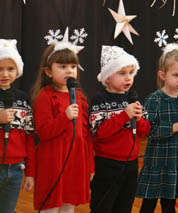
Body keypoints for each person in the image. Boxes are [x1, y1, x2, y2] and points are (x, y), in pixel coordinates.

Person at [136, 43, 178, 213]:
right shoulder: (155, 99)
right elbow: (149, 131)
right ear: (163, 75)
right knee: (148, 205)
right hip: (158, 163)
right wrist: (175, 126)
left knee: (170, 206)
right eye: (176, 75)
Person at [31, 34, 94, 212]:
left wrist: (90, 165)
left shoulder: (79, 96)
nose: (69, 71)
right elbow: (43, 132)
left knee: (69, 206)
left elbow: (86, 135)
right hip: (53, 163)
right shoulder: (44, 96)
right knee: (51, 205)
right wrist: (64, 117)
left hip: (75, 162)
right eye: (63, 66)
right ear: (49, 71)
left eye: (73, 66)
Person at [89, 45, 150, 213]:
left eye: (131, 73)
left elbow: (145, 132)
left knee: (124, 207)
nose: (128, 78)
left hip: (131, 164)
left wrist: (139, 119)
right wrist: (124, 115)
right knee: (103, 207)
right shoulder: (100, 99)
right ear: (108, 77)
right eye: (122, 73)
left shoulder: (132, 98)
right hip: (107, 165)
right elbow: (99, 132)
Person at [0, 39, 35, 213]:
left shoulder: (23, 98)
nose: (5, 74)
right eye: (0, 69)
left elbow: (29, 136)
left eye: (10, 69)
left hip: (16, 168)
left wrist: (30, 172)